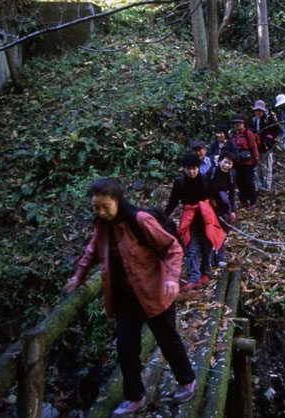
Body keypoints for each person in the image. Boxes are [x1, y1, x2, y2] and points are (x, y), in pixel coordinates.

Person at [63, 177, 197, 416]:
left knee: (168, 340)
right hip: (126, 298)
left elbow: (172, 247)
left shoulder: (139, 220)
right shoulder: (102, 226)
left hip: (155, 291)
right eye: (96, 207)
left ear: (117, 200)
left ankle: (187, 380)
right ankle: (135, 396)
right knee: (126, 347)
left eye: (106, 206)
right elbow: (91, 252)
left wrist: (171, 278)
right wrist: (78, 276)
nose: (102, 212)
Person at [164, 152, 225, 289]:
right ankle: (194, 277)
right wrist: (163, 216)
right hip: (189, 219)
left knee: (207, 245)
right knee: (191, 248)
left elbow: (213, 196)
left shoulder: (204, 179)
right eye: (188, 169)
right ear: (184, 169)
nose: (192, 172)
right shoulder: (180, 182)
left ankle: (205, 273)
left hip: (205, 217)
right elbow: (173, 202)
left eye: (194, 168)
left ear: (198, 168)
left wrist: (223, 212)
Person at [205, 151, 237, 268]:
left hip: (223, 207)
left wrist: (232, 210)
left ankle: (219, 258)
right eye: (225, 162)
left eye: (230, 163)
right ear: (220, 161)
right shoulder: (212, 172)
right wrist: (210, 199)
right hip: (209, 207)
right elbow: (204, 188)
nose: (226, 166)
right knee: (209, 233)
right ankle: (207, 259)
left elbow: (232, 193)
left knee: (221, 233)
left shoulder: (230, 175)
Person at [250, 100, 281, 193]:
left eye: (260, 110)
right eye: (256, 110)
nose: (258, 112)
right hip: (256, 148)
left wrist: (270, 137)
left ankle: (267, 186)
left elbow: (277, 130)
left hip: (267, 147)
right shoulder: (253, 120)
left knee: (267, 167)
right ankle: (260, 186)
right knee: (258, 167)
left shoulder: (269, 119)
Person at [230, 115, 259, 210]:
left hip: (248, 162)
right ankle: (243, 200)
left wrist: (256, 158)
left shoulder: (248, 133)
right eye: (236, 123)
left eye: (239, 123)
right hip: (237, 163)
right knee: (240, 182)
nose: (237, 125)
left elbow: (253, 146)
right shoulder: (233, 134)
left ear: (243, 124)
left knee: (248, 182)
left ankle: (253, 200)